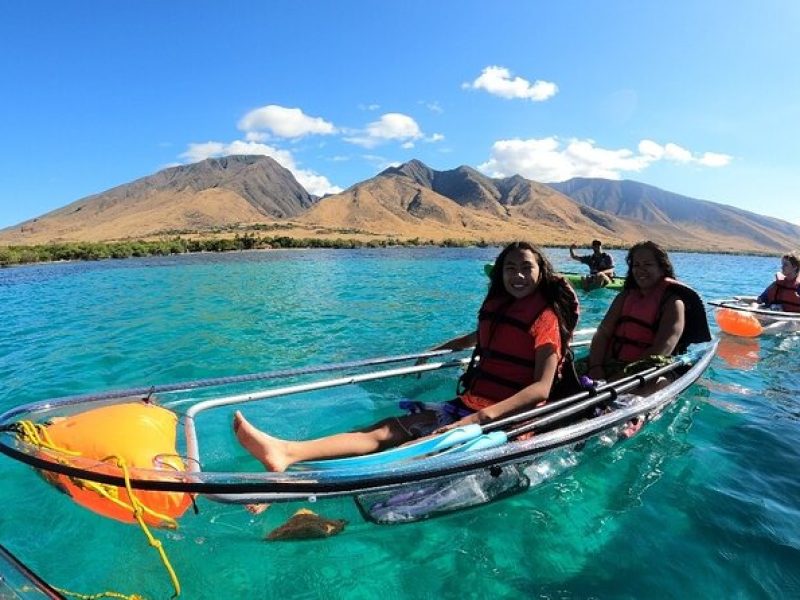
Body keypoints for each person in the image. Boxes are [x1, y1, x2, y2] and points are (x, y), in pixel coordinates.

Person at [233, 241, 580, 472]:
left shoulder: (546, 318)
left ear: (541, 272)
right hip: (469, 404)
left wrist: (478, 419)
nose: (517, 275)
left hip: (509, 419)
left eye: (526, 267)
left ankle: (293, 479)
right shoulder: (502, 308)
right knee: (384, 429)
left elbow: (541, 389)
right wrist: (436, 350)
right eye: (509, 268)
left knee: (413, 447)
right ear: (500, 273)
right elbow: (484, 338)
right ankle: (287, 455)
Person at [586, 241, 711, 436]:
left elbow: (659, 353)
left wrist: (613, 382)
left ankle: (633, 417)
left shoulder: (673, 303)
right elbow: (602, 334)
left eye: (648, 265)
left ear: (662, 267)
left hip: (649, 372)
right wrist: (596, 369)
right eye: (636, 265)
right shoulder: (624, 298)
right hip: (610, 368)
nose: (640, 270)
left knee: (658, 382)